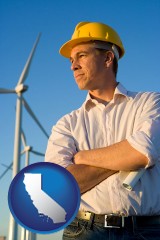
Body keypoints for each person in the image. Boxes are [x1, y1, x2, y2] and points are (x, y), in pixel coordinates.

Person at [45, 21, 160, 240]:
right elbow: (60, 187)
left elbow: (142, 151)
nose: (73, 66)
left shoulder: (151, 102)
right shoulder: (66, 124)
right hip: (85, 231)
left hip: (147, 231)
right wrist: (125, 157)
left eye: (81, 56)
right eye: (71, 60)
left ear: (108, 58)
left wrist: (81, 158)